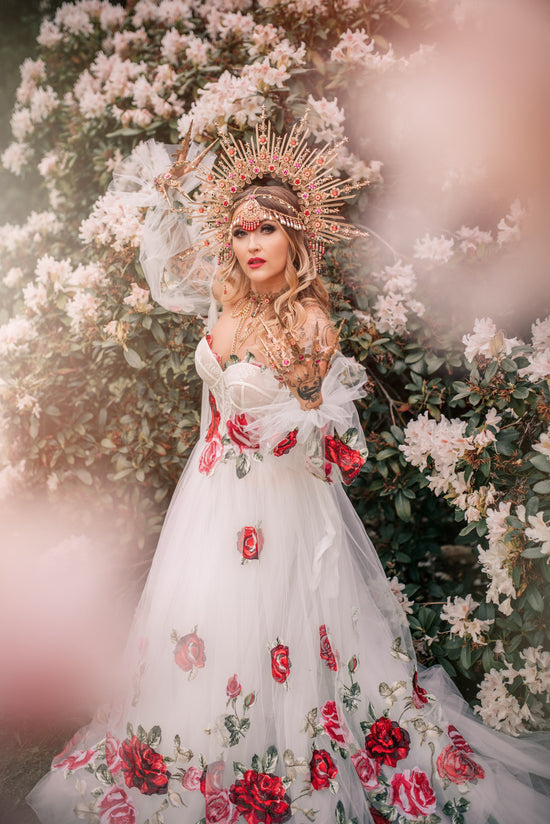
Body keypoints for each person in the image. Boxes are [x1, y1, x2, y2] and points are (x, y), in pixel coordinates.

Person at [27, 114, 549, 824]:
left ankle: (291, 769)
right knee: (201, 643)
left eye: (266, 229)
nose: (251, 244)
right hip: (210, 500)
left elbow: (325, 433)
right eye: (240, 231)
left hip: (278, 514)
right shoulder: (224, 304)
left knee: (280, 644)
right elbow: (200, 367)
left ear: (295, 237)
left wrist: (307, 410)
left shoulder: (308, 323)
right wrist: (171, 195)